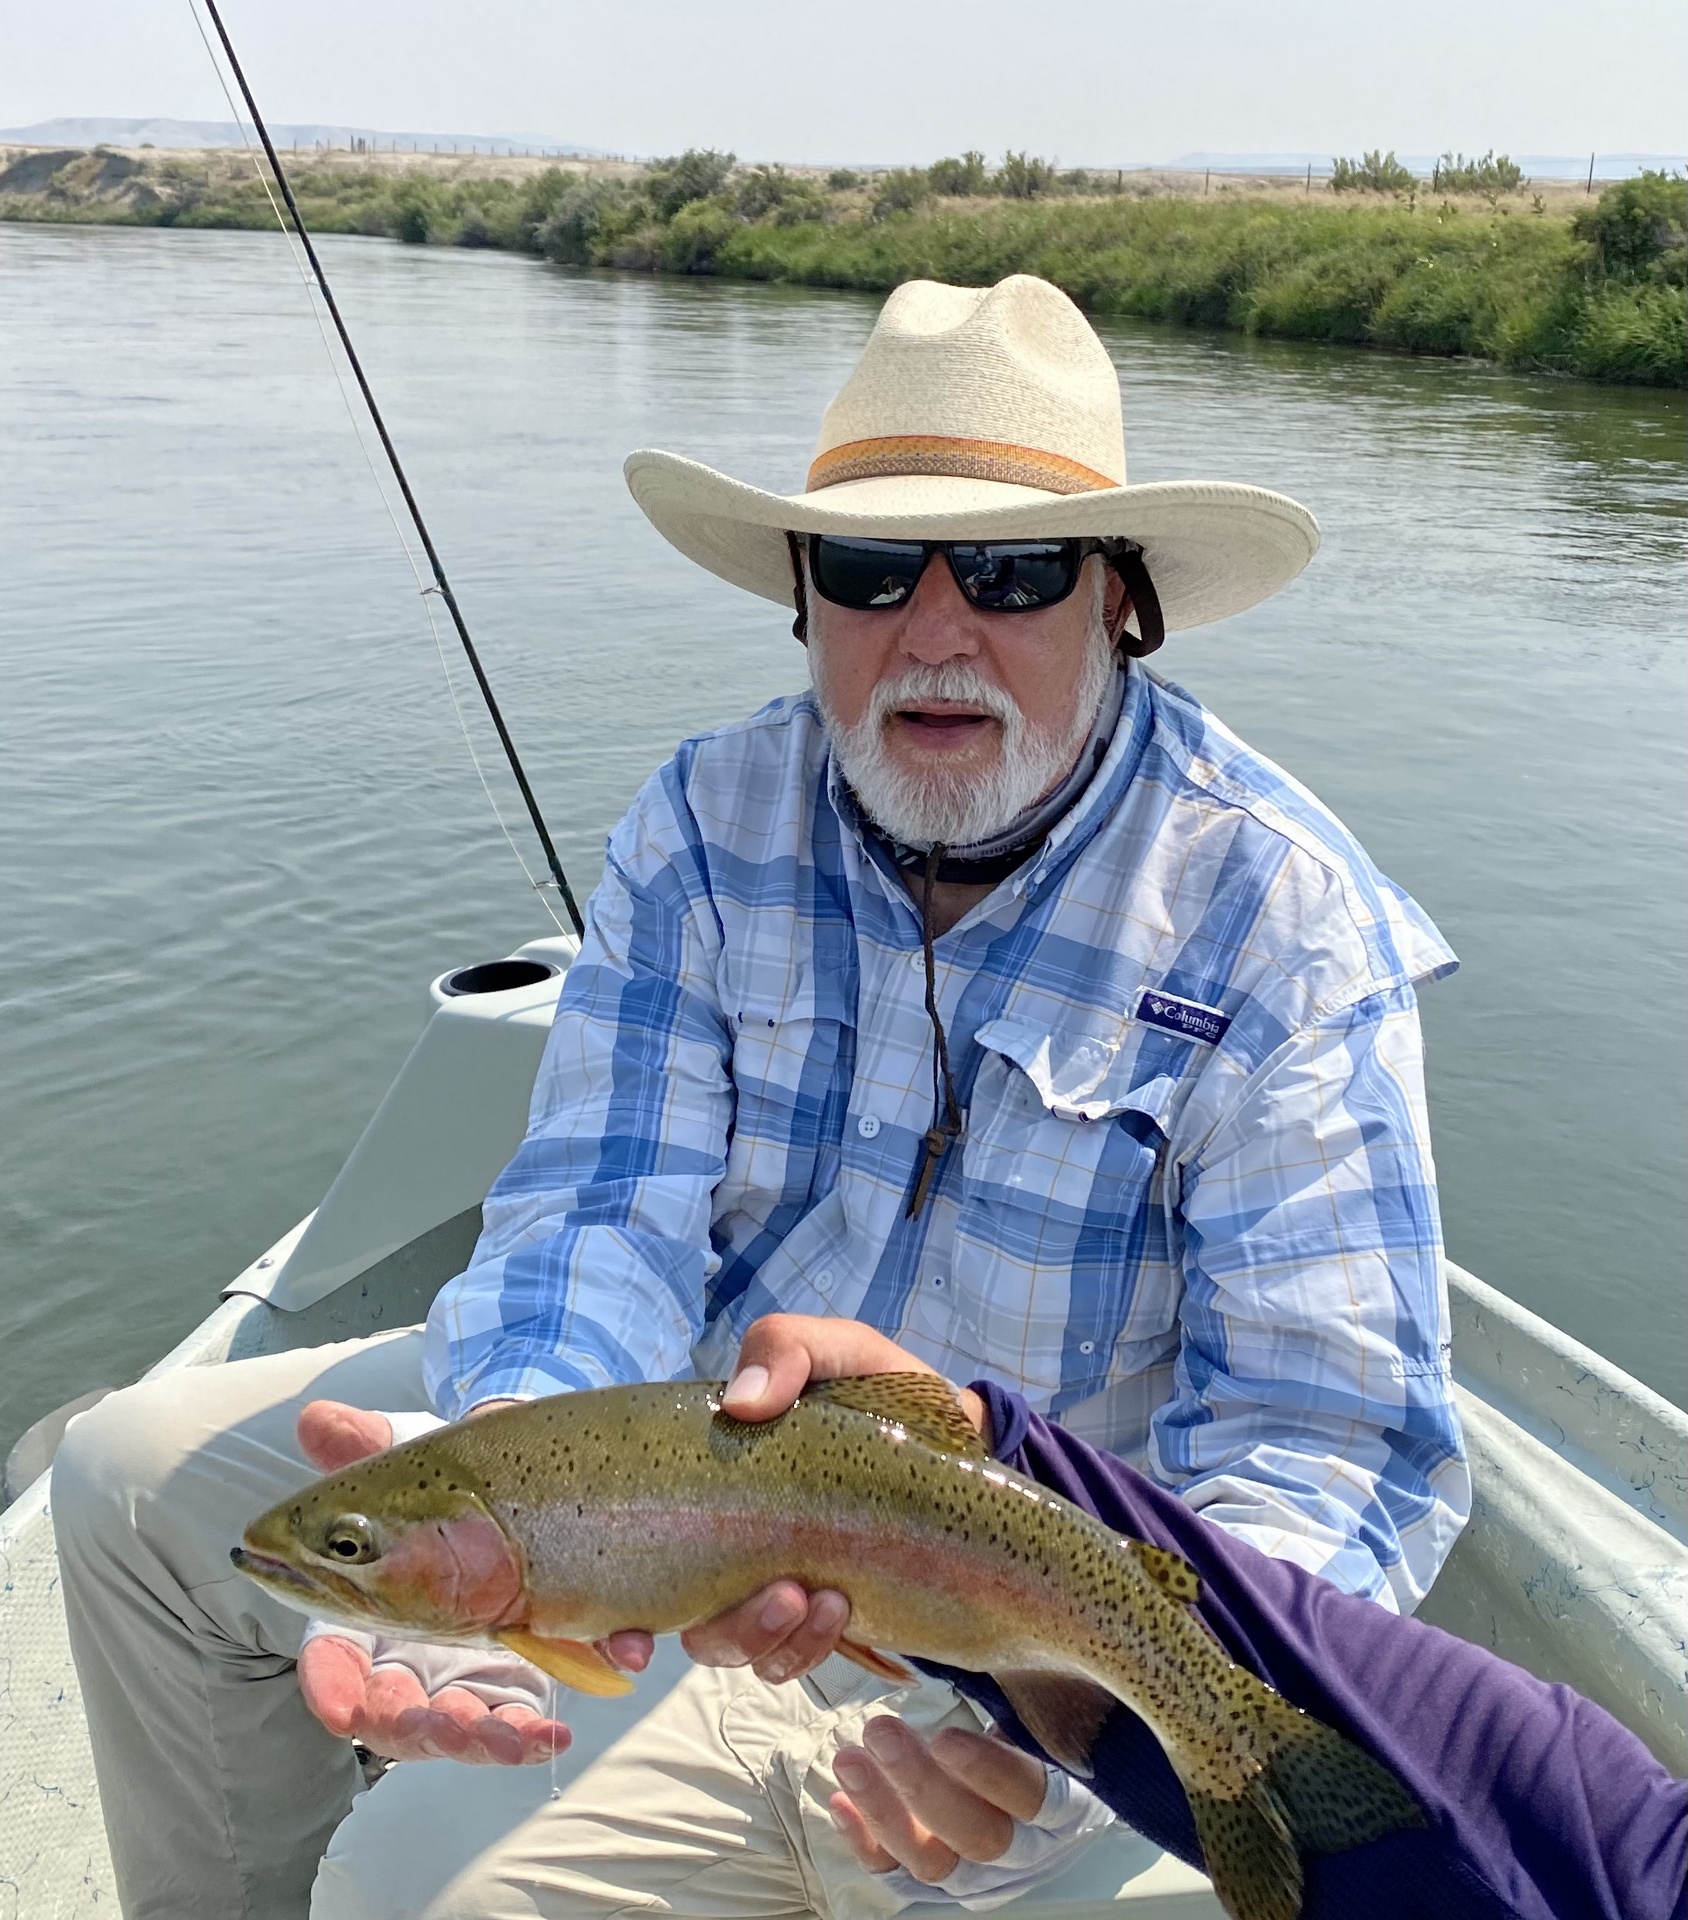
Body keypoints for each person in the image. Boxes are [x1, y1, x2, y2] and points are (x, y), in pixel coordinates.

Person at [53, 273, 1470, 1920]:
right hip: (676, 1469)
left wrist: (1085, 1743)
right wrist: (516, 1458)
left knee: (406, 1899)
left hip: (1013, 1577)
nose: (935, 631)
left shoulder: (1280, 919)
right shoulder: (707, 816)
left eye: (1011, 572)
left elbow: (1334, 1438)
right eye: (871, 569)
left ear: (1119, 603)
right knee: (127, 1484)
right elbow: (601, 1201)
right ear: (805, 596)